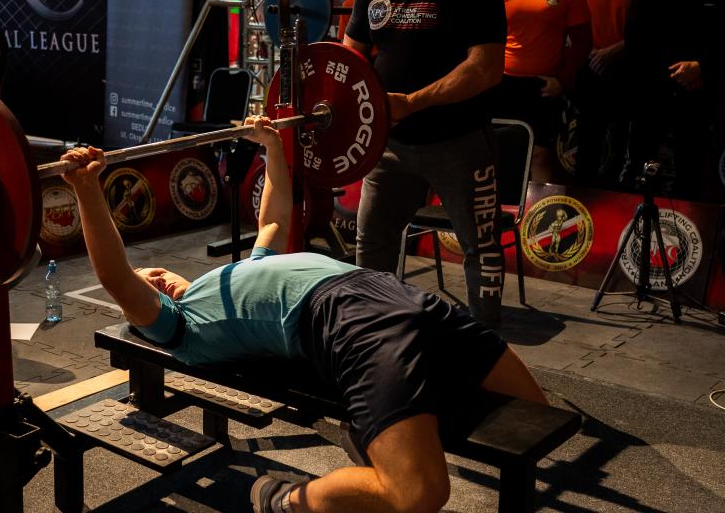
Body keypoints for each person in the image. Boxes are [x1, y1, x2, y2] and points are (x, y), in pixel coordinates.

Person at [60, 116, 547, 513]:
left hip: (394, 294)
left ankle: (376, 429)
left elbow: (273, 218)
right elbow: (117, 276)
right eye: (149, 287)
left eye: (156, 272)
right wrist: (87, 189)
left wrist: (272, 146)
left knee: (538, 415)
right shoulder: (182, 325)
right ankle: (286, 499)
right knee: (418, 493)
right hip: (348, 321)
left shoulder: (239, 272)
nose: (156, 279)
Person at [343, 0, 507, 327]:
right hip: (389, 145)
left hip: (460, 142)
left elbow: (486, 68)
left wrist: (412, 103)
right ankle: (374, 335)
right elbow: (350, 56)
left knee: (481, 249)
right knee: (372, 245)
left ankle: (485, 345)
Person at [623, 0, 724, 202]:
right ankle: (639, 224)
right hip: (652, 99)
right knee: (641, 172)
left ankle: (684, 228)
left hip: (698, 99)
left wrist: (701, 68)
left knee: (691, 175)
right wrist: (672, 76)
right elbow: (635, 47)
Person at [494, 0, 591, 185]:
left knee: (540, 156)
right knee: (502, 153)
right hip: (503, 86)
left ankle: (541, 211)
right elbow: (486, 41)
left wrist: (562, 81)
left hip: (543, 88)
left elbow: (582, 44)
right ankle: (502, 207)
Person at [573, 0, 653, 187]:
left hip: (631, 73)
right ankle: (583, 199)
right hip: (593, 71)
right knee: (588, 140)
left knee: (626, 143)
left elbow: (653, 32)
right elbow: (573, 32)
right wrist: (593, 53)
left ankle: (621, 198)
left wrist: (615, 50)